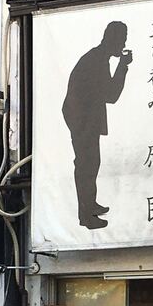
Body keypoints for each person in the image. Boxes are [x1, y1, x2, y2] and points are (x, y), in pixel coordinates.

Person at [62, 21, 132, 229]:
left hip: (84, 119)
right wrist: (123, 65)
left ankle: (89, 206)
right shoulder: (96, 60)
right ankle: (86, 216)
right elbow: (111, 95)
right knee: (86, 165)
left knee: (90, 164)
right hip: (81, 120)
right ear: (114, 39)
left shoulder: (98, 57)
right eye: (122, 40)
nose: (124, 44)